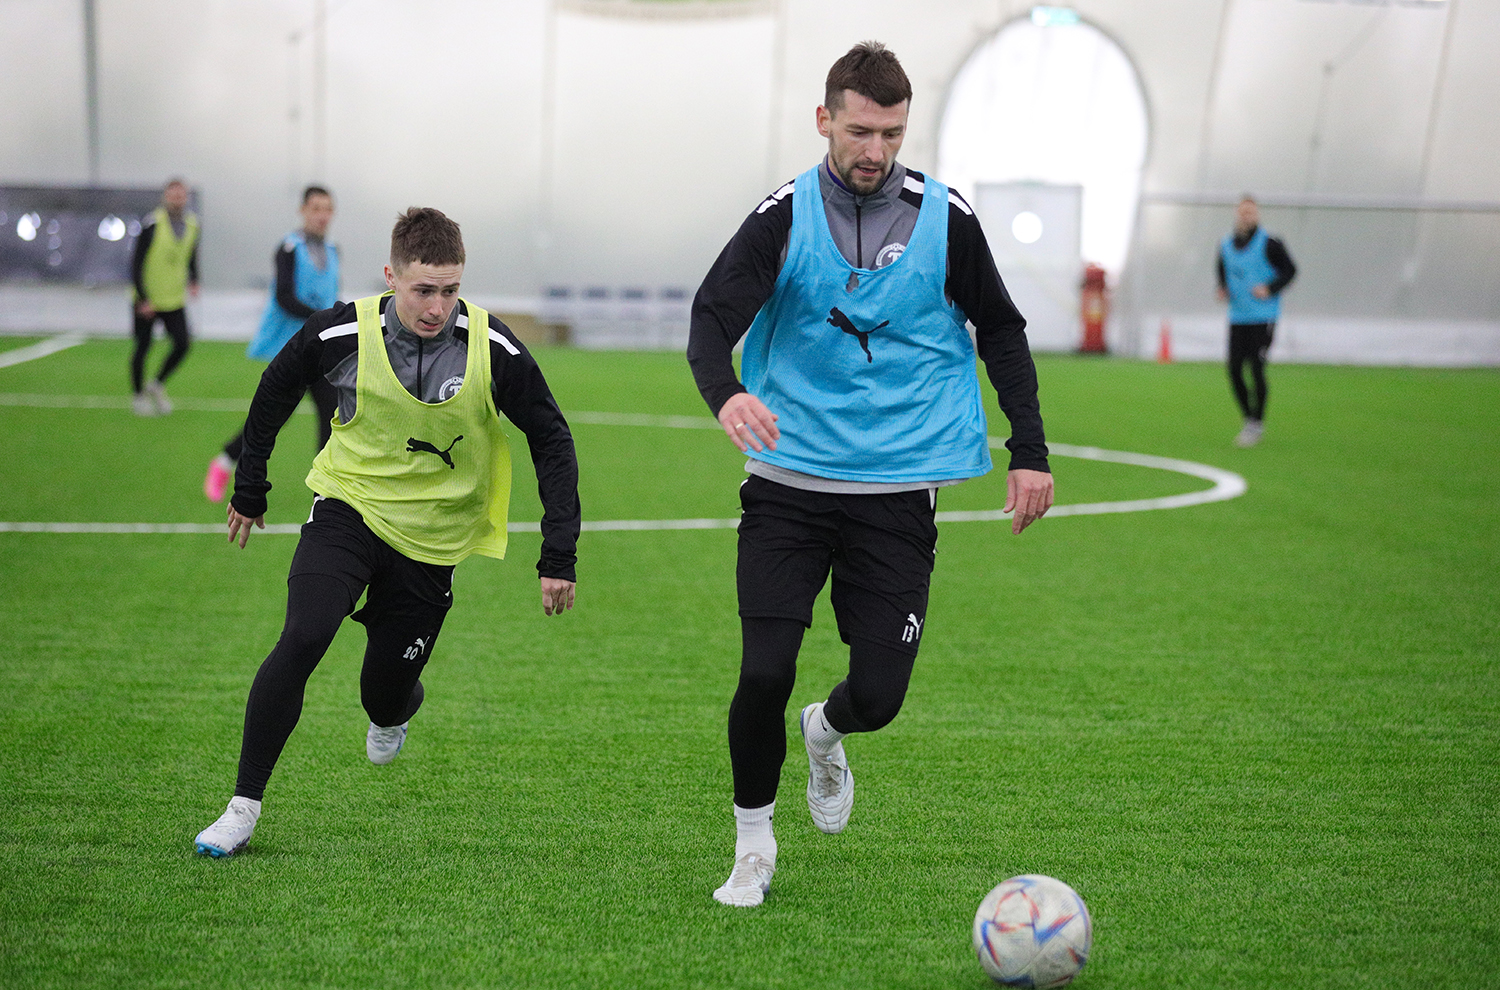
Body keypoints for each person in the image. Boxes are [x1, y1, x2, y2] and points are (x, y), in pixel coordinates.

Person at [687, 41, 1053, 907]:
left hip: (897, 491)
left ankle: (826, 730)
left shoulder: (947, 217)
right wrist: (726, 395)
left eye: (891, 134)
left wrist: (1030, 451)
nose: (875, 151)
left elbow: (1002, 330)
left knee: (880, 697)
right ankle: (752, 845)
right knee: (763, 672)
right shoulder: (781, 218)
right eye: (859, 131)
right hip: (789, 484)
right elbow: (710, 319)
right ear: (824, 121)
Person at [194, 207, 581, 857]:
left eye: (450, 290)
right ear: (390, 276)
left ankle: (393, 710)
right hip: (348, 508)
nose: (437, 307)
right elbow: (275, 389)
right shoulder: (341, 331)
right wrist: (250, 486)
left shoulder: (493, 347)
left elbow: (552, 439)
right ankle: (242, 808)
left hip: (431, 542)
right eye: (423, 289)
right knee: (305, 634)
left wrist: (558, 555)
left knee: (384, 695)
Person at [205, 186, 341, 502]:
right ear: (302, 211)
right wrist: (322, 317)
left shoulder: (334, 250)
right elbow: (284, 298)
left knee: (332, 412)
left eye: (327, 209)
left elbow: (331, 294)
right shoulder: (289, 249)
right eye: (316, 208)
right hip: (290, 347)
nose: (322, 215)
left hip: (319, 346)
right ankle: (224, 461)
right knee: (274, 416)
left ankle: (326, 490)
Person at [1216, 196, 1296, 447]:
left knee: (1256, 366)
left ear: (1257, 214)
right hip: (1238, 317)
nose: (1246, 216)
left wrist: (1270, 288)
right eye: (1243, 212)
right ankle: (1248, 418)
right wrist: (1222, 289)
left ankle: (1256, 422)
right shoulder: (1225, 244)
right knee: (1234, 369)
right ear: (1236, 213)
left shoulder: (1270, 243)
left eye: (1250, 212)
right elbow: (1222, 271)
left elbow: (1290, 270)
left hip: (1263, 317)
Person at [129, 178, 200, 416]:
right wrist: (143, 298)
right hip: (148, 297)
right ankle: (138, 395)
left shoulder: (192, 224)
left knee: (183, 343)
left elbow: (191, 254)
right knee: (143, 346)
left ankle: (157, 383)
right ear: (165, 197)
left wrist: (194, 279)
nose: (177, 199)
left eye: (181, 195)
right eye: (173, 195)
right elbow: (136, 262)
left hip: (173, 298)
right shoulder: (152, 223)